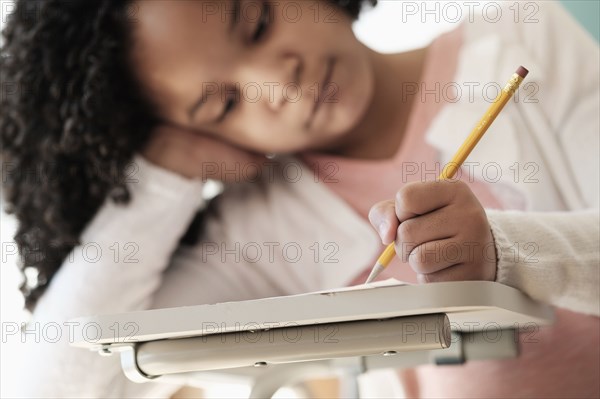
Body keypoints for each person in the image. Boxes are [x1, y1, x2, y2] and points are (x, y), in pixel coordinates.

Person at [1, 0, 598, 397]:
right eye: (224, 104)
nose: (276, 80)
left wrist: (503, 254)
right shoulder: (257, 229)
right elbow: (59, 386)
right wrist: (164, 173)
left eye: (258, 24)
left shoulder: (526, 39)